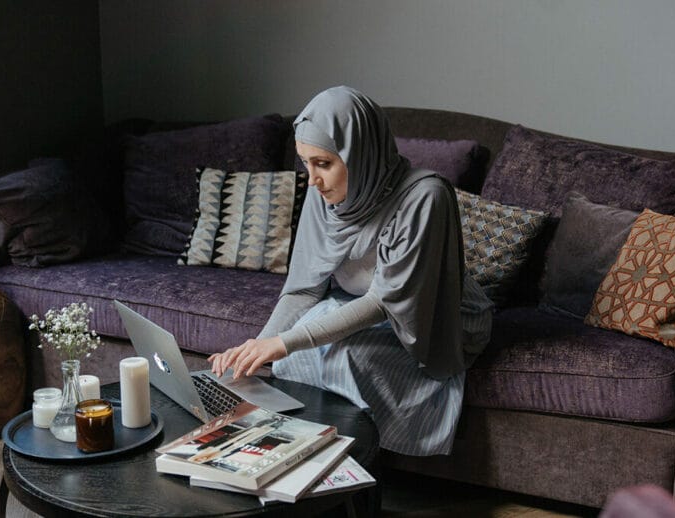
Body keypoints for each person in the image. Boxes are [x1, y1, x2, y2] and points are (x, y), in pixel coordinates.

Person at [209, 86, 492, 456]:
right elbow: (304, 290)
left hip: (432, 314)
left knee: (341, 356)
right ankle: (305, 456)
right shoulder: (321, 193)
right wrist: (258, 349)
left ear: (360, 153)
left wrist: (284, 342)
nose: (312, 179)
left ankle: (357, 462)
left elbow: (384, 301)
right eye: (305, 163)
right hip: (360, 300)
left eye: (323, 163)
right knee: (296, 352)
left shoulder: (426, 197)